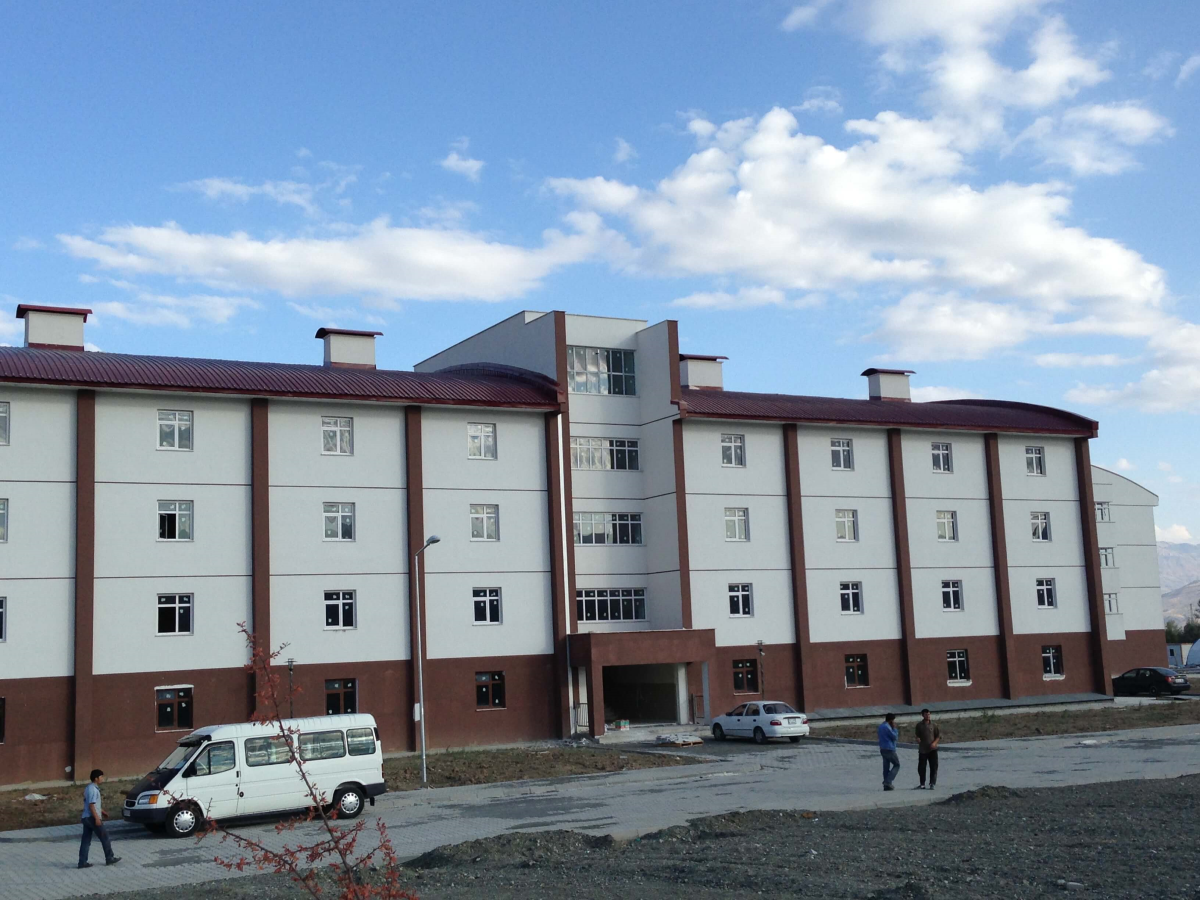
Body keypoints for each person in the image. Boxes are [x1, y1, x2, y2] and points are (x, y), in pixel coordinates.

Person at [78, 769, 120, 869]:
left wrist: (102, 811)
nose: (102, 778)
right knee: (104, 837)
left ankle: (82, 862)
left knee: (86, 841)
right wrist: (97, 818)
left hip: (86, 817)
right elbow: (91, 805)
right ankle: (109, 858)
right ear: (96, 778)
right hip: (92, 818)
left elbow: (93, 804)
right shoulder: (93, 789)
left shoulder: (89, 788)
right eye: (101, 777)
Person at [915, 708, 941, 789]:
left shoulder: (934, 725)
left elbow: (938, 736)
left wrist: (934, 743)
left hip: (932, 749)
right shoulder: (919, 725)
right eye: (926, 714)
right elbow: (917, 735)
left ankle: (932, 783)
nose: (928, 716)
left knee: (934, 767)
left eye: (929, 714)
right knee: (921, 767)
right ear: (923, 715)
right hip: (923, 750)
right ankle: (922, 784)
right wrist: (917, 739)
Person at [877, 712, 900, 791]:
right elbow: (895, 737)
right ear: (891, 720)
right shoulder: (888, 727)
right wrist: (894, 728)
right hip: (889, 749)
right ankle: (888, 781)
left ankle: (886, 786)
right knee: (897, 764)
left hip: (882, 748)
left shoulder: (881, 726)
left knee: (886, 767)